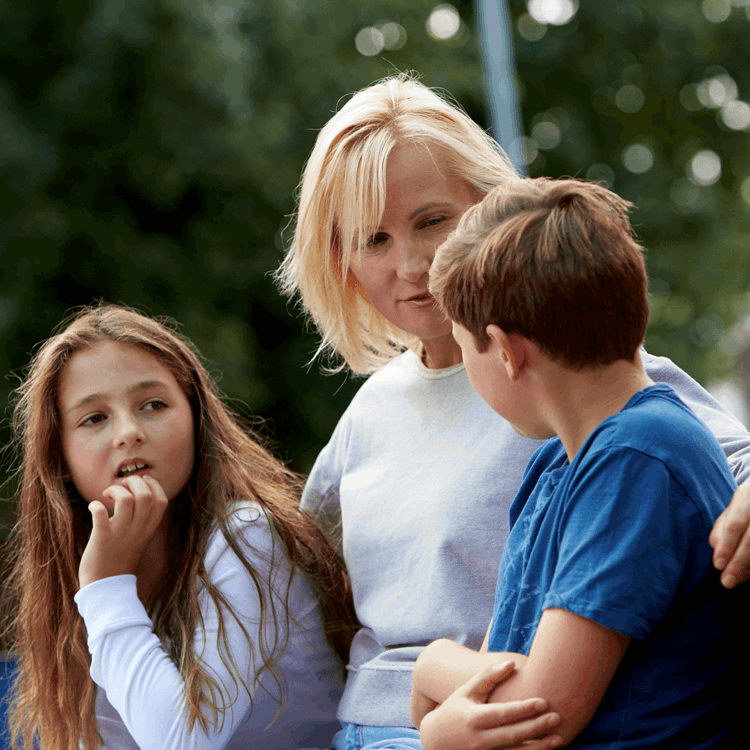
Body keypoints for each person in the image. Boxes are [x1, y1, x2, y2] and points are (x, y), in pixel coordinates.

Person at [275, 73, 750, 750]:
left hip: (498, 715)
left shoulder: (587, 380)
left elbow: (719, 462)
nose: (410, 263)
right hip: (372, 720)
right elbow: (294, 566)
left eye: (432, 220)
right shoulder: (369, 411)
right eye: (372, 240)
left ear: (492, 206)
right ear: (340, 261)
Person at [410, 176, 738, 748]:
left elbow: (542, 709)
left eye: (465, 350)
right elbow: (497, 677)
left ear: (507, 352)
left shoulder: (640, 457)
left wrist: (431, 667)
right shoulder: (556, 468)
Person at [2, 303, 357, 750]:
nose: (128, 431)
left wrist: (105, 586)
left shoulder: (246, 537)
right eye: (94, 418)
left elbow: (183, 740)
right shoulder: (70, 574)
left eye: (154, 405)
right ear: (61, 459)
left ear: (196, 420)